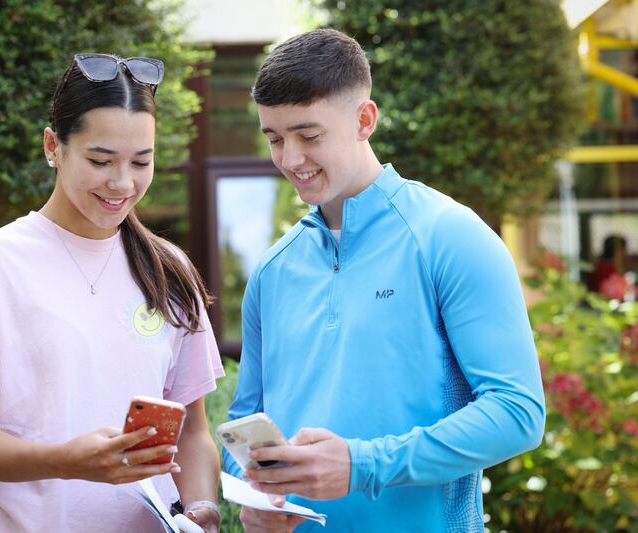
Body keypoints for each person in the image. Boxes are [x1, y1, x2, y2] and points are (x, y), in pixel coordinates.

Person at [223, 29, 546, 532]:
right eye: (275, 138)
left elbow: (518, 413)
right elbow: (244, 429)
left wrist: (362, 465)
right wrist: (256, 497)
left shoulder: (450, 236)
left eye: (308, 136)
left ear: (363, 120)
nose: (289, 159)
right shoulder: (271, 270)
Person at [0, 53, 224, 533]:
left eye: (141, 162)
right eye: (100, 160)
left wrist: (203, 510)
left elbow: (193, 433)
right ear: (52, 146)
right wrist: (66, 461)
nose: (122, 184)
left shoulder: (171, 271)